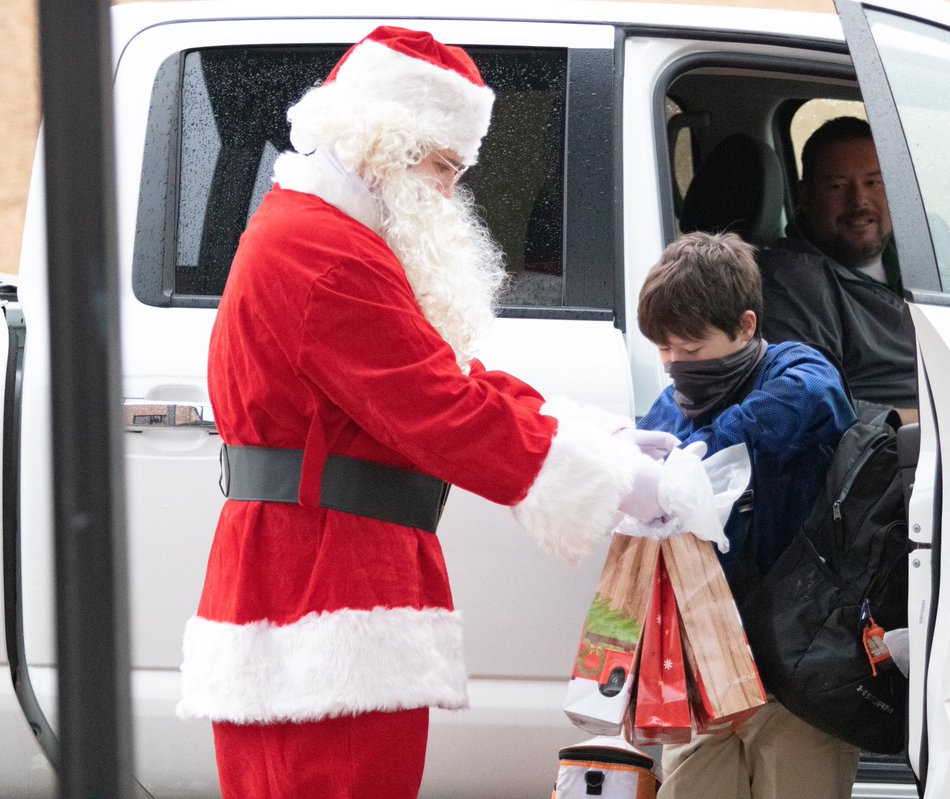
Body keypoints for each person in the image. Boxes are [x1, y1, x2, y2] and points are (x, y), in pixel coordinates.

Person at [176, 27, 684, 799]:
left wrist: (600, 440)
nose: (451, 189)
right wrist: (612, 479)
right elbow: (439, 405)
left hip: (316, 578)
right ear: (389, 141)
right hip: (325, 584)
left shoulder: (322, 236)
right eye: (445, 165)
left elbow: (443, 376)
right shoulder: (323, 250)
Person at [635, 231, 860, 799]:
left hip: (796, 669)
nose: (674, 365)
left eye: (691, 350)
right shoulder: (671, 405)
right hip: (705, 660)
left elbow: (773, 424)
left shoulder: (802, 377)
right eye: (663, 350)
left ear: (747, 326)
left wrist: (683, 461)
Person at [760, 116, 917, 424]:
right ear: (805, 194)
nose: (859, 201)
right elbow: (801, 404)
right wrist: (922, 422)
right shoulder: (791, 283)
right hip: (892, 452)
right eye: (837, 186)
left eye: (873, 182)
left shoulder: (921, 246)